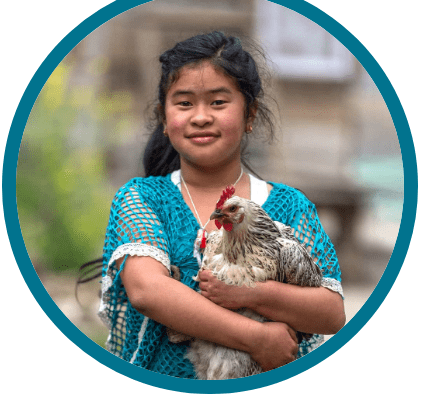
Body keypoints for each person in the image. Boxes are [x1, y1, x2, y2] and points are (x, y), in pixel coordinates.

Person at [96, 31, 345, 379]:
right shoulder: (143, 198)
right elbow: (148, 290)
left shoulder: (289, 206)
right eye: (184, 103)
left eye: (217, 102)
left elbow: (330, 312)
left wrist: (248, 292)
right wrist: (258, 337)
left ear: (250, 114)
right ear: (164, 119)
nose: (201, 117)